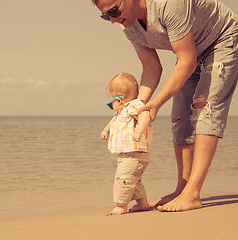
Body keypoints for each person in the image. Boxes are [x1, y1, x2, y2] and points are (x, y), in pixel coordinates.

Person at [92, 0, 238, 212]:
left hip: (222, 40)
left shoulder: (168, 3)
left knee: (205, 109)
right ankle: (182, 188)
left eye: (114, 11)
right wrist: (139, 105)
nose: (113, 20)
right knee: (179, 117)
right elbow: (151, 67)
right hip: (189, 53)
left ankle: (193, 193)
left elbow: (187, 60)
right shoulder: (129, 24)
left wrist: (157, 103)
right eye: (106, 16)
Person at [101, 73, 152, 215]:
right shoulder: (122, 112)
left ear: (118, 100)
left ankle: (121, 206)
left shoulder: (134, 106)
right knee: (133, 180)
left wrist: (139, 131)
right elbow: (113, 122)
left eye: (110, 104)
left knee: (122, 178)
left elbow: (145, 115)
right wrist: (106, 130)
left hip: (135, 154)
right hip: (127, 154)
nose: (111, 106)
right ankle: (142, 204)